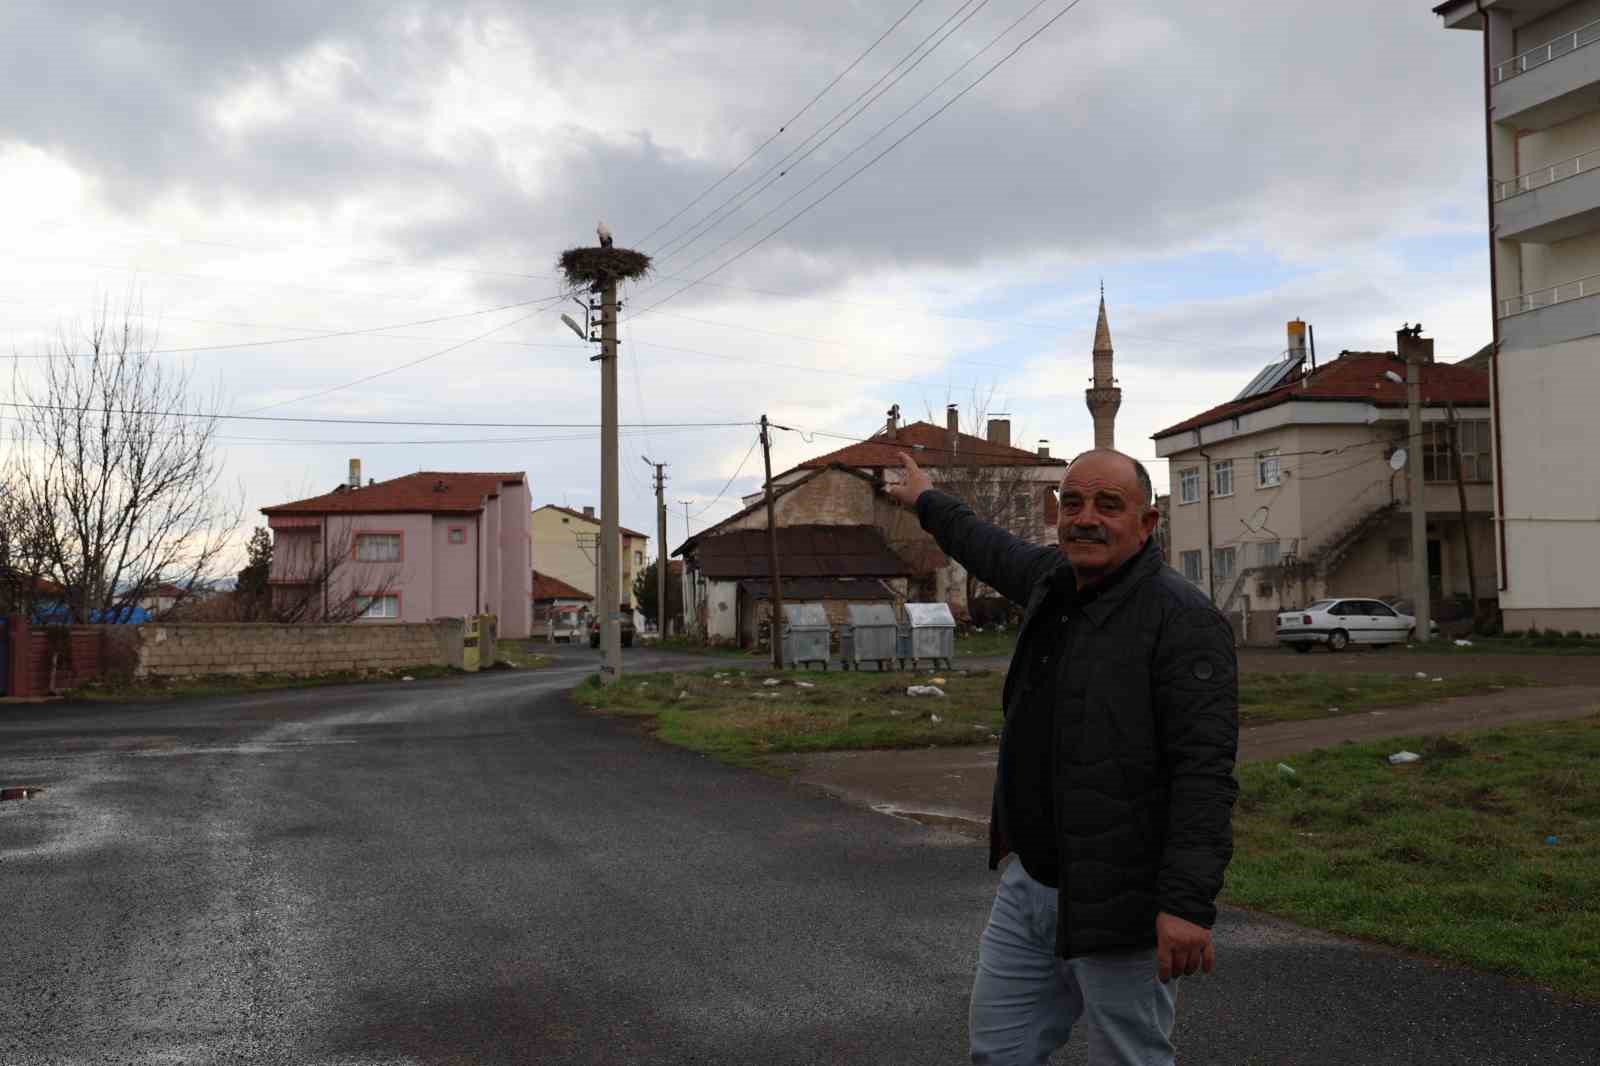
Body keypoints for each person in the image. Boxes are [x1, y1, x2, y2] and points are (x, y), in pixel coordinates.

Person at [882, 447, 1238, 1066]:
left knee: (1130, 1059)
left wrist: (1185, 904)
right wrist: (926, 499)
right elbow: (984, 543)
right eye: (1072, 503)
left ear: (1147, 523)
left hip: (1120, 901)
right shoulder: (1053, 581)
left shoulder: (1181, 619)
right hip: (1032, 886)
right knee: (999, 1053)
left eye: (1108, 504)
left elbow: (1203, 774)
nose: (1085, 518)